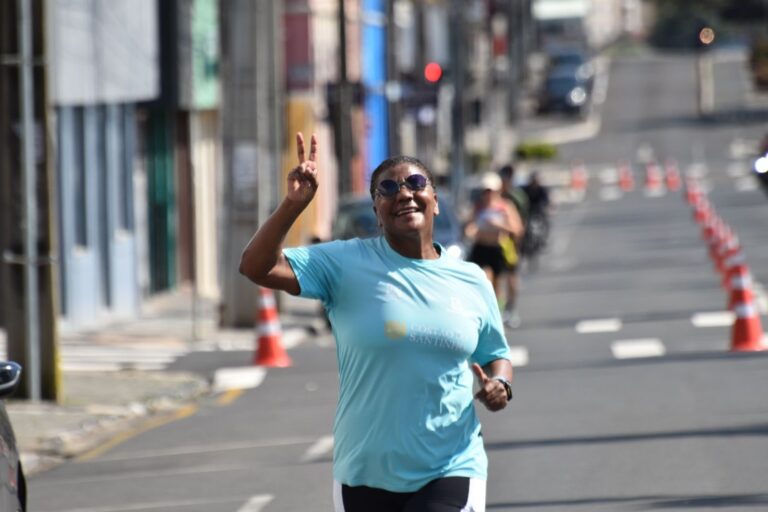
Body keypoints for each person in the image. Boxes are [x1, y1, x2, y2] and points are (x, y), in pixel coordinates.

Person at [239, 133, 514, 512]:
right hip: (365, 470)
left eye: (416, 183)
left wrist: (500, 384)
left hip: (451, 463)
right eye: (388, 188)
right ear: (376, 209)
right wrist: (292, 205)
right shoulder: (345, 263)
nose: (404, 193)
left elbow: (496, 354)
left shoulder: (470, 280)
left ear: (435, 201)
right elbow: (256, 266)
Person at [464, 172, 525, 317]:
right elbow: (469, 226)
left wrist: (499, 225)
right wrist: (471, 231)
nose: (488, 194)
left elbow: (517, 229)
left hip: (498, 248)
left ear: (497, 190)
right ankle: (486, 311)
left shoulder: (505, 207)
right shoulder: (478, 207)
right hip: (480, 248)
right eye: (485, 191)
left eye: (490, 191)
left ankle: (499, 310)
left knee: (499, 282)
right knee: (484, 279)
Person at [498, 165, 529, 328]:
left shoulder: (514, 196)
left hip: (510, 242)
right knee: (497, 277)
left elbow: (521, 223)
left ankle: (511, 309)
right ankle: (501, 309)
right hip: (496, 241)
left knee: (510, 276)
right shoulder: (499, 194)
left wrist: (517, 243)